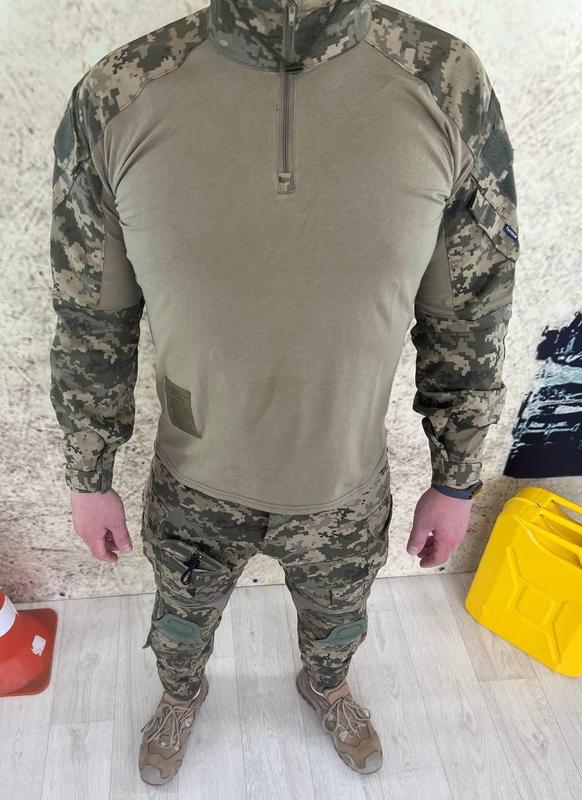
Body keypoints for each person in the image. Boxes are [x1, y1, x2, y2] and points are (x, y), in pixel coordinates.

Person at [49, 0, 520, 783]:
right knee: (180, 629)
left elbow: (470, 313)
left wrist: (456, 478)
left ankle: (326, 686)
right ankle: (181, 696)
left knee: (339, 627)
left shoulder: (446, 82)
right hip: (195, 483)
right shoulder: (120, 93)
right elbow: (90, 316)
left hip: (345, 482)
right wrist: (88, 474)